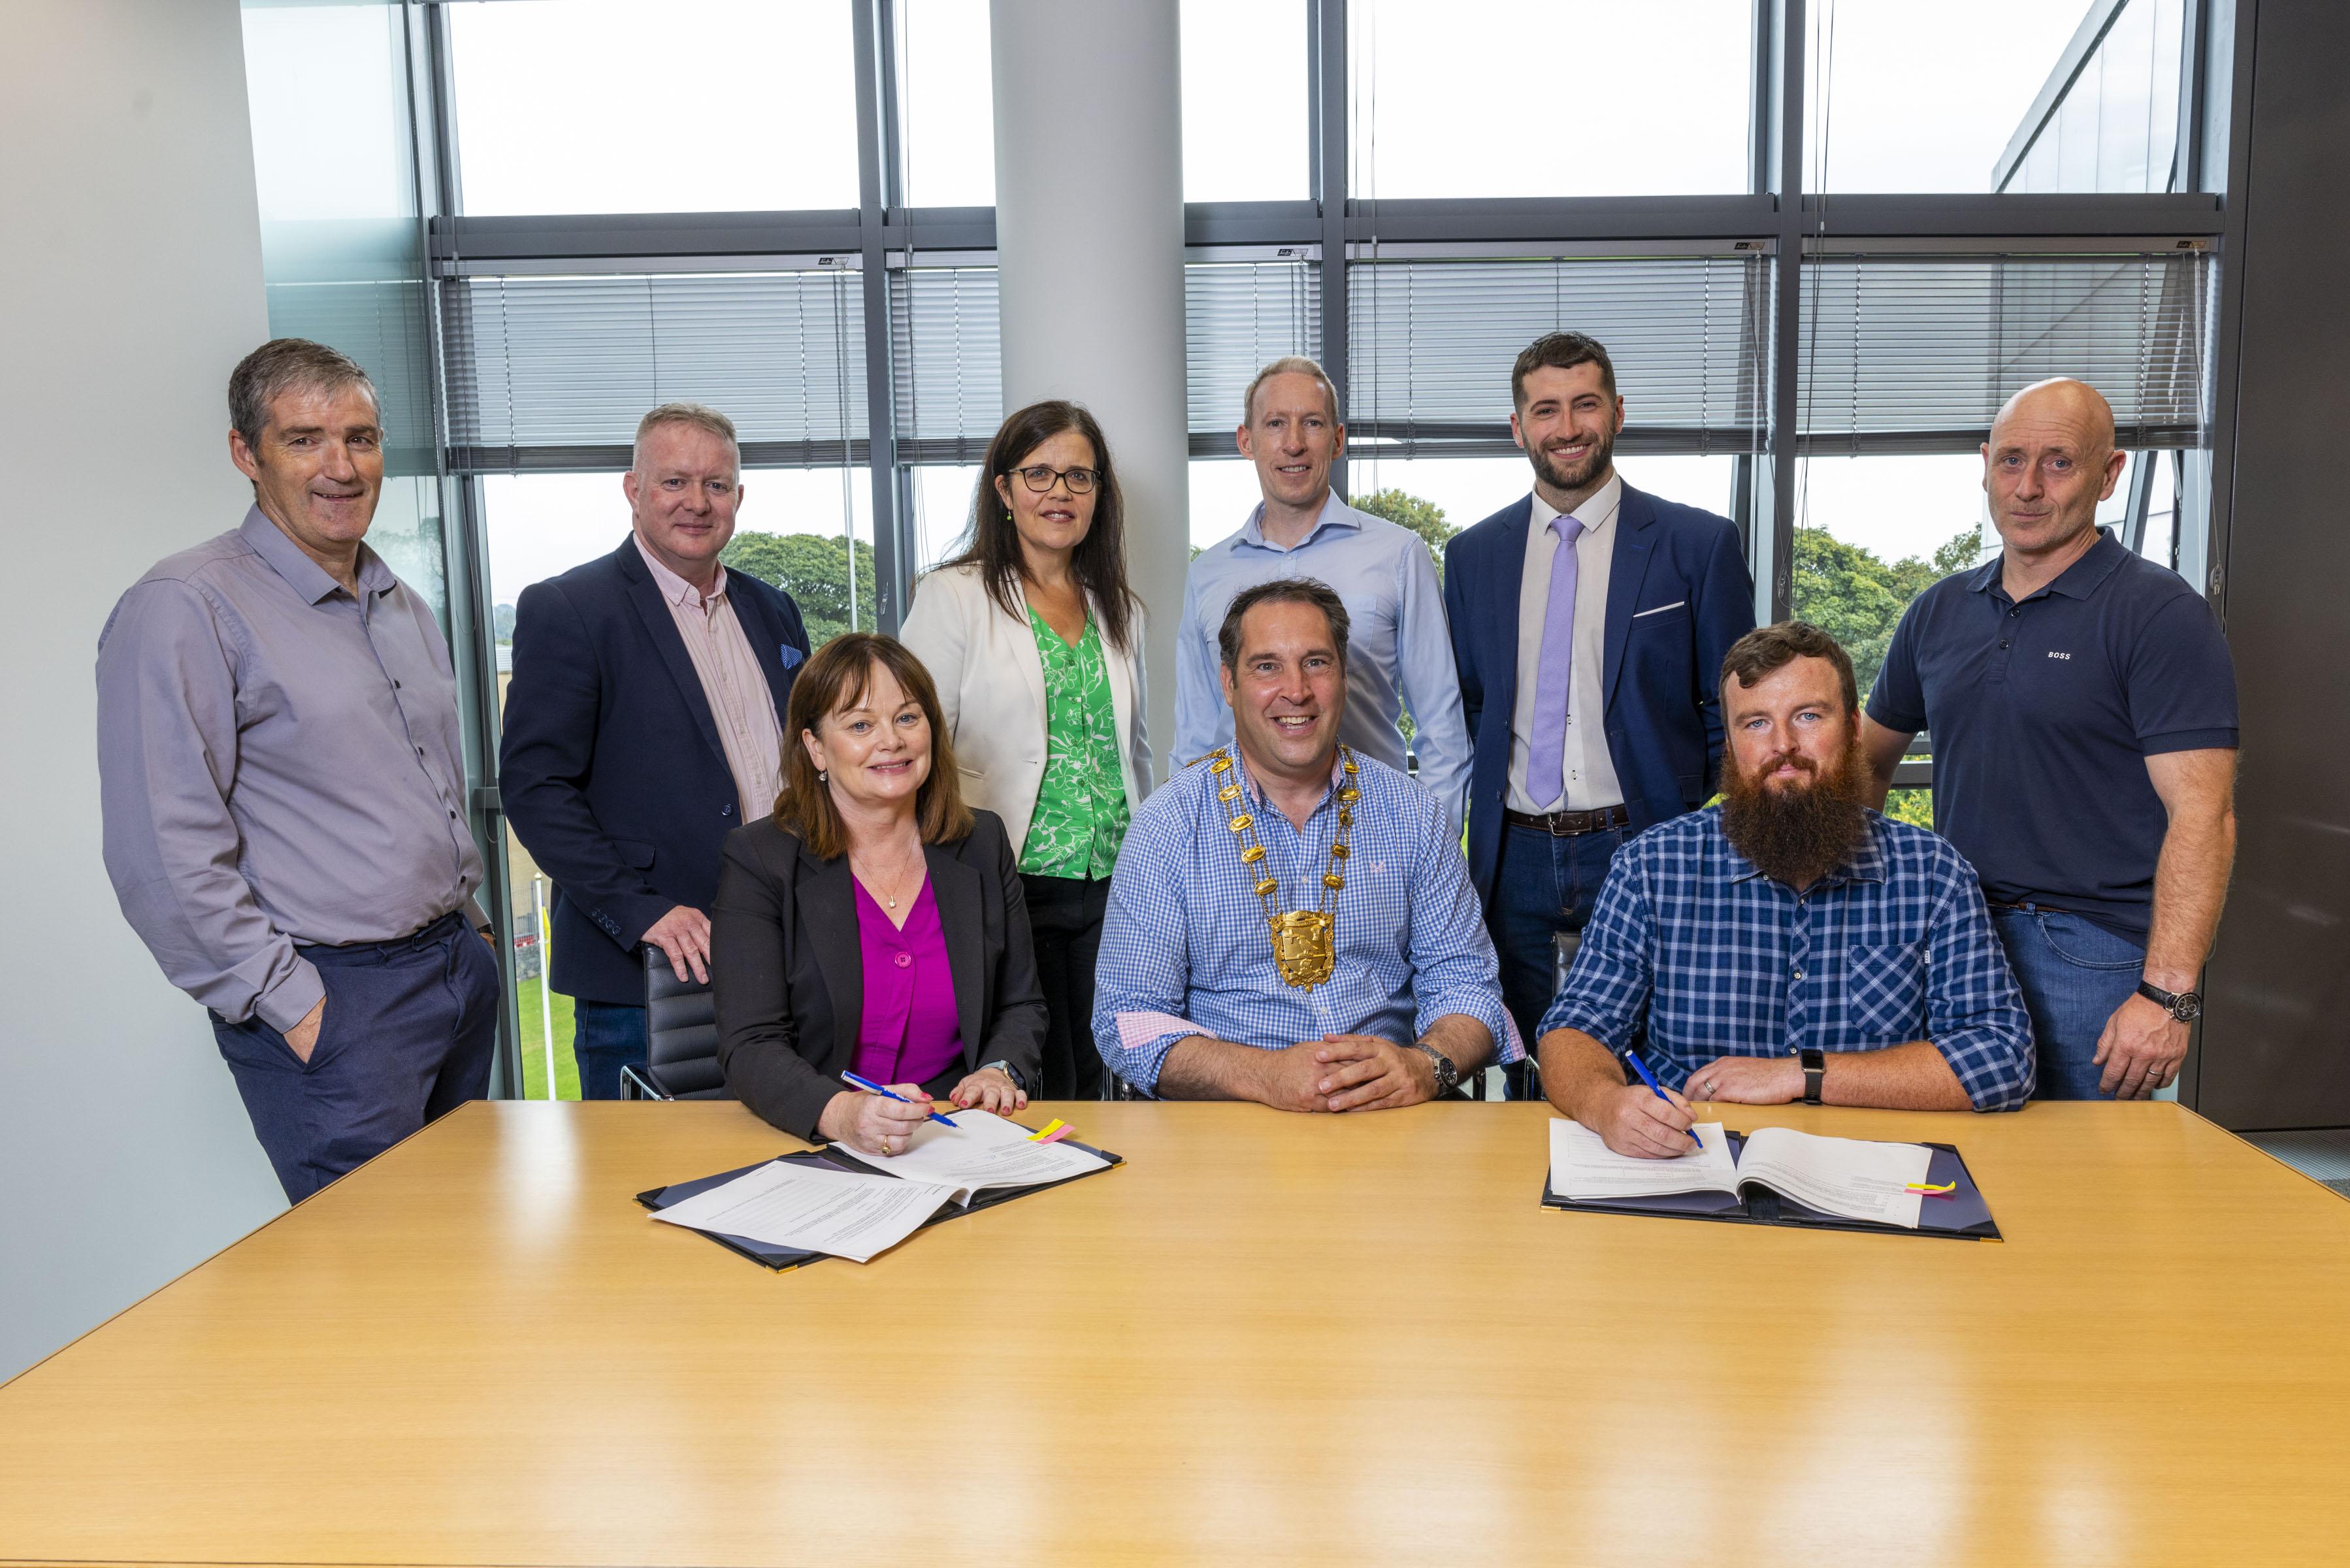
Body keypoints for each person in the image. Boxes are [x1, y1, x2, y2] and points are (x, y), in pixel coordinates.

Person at [97, 338, 498, 1201]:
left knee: (457, 1247)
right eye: (305, 440)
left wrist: (474, 926)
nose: (341, 466)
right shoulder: (186, 607)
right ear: (247, 454)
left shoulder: (397, 602)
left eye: (360, 437)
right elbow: (162, 853)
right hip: (340, 1000)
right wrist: (294, 1006)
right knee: (366, 1278)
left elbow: (422, 786)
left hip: (454, 971)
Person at [1861, 379, 2238, 1102]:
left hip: (2087, 956)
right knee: (1947, 1169)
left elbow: (2204, 815)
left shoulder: (2160, 616)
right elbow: (1866, 762)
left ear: (2110, 473)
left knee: (2081, 1191)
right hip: (1948, 937)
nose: (2028, 487)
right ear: (1984, 465)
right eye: (2011, 461)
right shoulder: (1937, 611)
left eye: (2059, 463)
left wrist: (2167, 998)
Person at [1539, 623, 2034, 1159]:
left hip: (1871, 1168)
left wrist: (1805, 1075)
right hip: (1687, 1164)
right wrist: (1605, 1104)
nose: (1783, 747)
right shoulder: (1651, 868)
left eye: (1807, 716)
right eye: (1755, 723)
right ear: (1729, 744)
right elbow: (1572, 1029)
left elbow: (2000, 1056)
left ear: (1850, 729)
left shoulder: (1933, 873)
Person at [1443, 331, 1755, 1071]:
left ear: (1617, 412)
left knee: (1651, 1052)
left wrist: (1675, 796)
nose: (1568, 427)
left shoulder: (1697, 543)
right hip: (1512, 851)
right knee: (1521, 1055)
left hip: (1639, 840)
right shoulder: (1473, 555)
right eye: (1546, 410)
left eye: (1585, 404)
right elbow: (1474, 705)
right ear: (1518, 428)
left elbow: (1735, 709)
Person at [1094, 579, 1517, 1109]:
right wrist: (1264, 1076)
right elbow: (1127, 1020)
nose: (1295, 690)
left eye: (1316, 662)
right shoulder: (1168, 825)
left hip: (1391, 1118)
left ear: (1343, 676)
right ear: (1229, 683)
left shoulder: (1412, 814)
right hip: (1227, 1130)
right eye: (1266, 666)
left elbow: (1468, 988)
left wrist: (1422, 1065)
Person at [498, 402, 810, 1098]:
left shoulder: (773, 610)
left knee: (788, 1172)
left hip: (779, 956)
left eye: (717, 485)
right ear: (633, 489)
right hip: (640, 972)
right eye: (674, 482)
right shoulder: (570, 609)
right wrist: (640, 912)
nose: (697, 503)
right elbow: (535, 788)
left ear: (738, 496)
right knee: (643, 1184)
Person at [901, 400, 1150, 1102]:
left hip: (1112, 889)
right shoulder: (954, 597)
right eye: (1038, 474)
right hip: (1003, 882)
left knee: (1106, 1068)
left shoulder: (1121, 609)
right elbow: (916, 748)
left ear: (1100, 494)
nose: (1059, 494)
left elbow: (1135, 753)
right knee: (1029, 1076)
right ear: (1004, 491)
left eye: (1079, 477)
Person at [711, 634, 1045, 1150]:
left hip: (956, 1136)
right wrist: (841, 1114)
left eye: (908, 718)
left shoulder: (982, 842)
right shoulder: (761, 859)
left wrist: (999, 1071)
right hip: (818, 1138)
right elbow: (751, 1045)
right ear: (816, 747)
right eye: (860, 725)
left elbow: (1021, 1004)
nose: (891, 740)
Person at [1173, 356, 1470, 836]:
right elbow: (1195, 734)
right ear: (1245, 441)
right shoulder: (1207, 573)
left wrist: (1428, 843)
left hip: (1373, 832)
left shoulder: (1399, 555)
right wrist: (1190, 840)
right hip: (1241, 842)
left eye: (1311, 423)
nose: (1293, 443)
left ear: (1336, 440)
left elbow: (1443, 729)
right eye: (1275, 424)